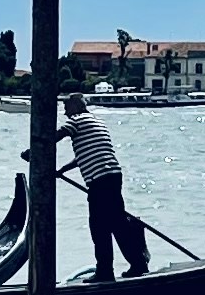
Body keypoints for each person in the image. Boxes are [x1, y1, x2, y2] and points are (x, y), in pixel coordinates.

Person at [58, 97, 148, 279]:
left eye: (67, 107)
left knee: (99, 227)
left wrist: (33, 152)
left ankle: (105, 271)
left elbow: (54, 137)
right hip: (113, 175)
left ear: (76, 106)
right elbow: (83, 156)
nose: (65, 112)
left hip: (99, 180)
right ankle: (138, 264)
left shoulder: (76, 120)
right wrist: (61, 170)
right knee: (118, 224)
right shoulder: (96, 122)